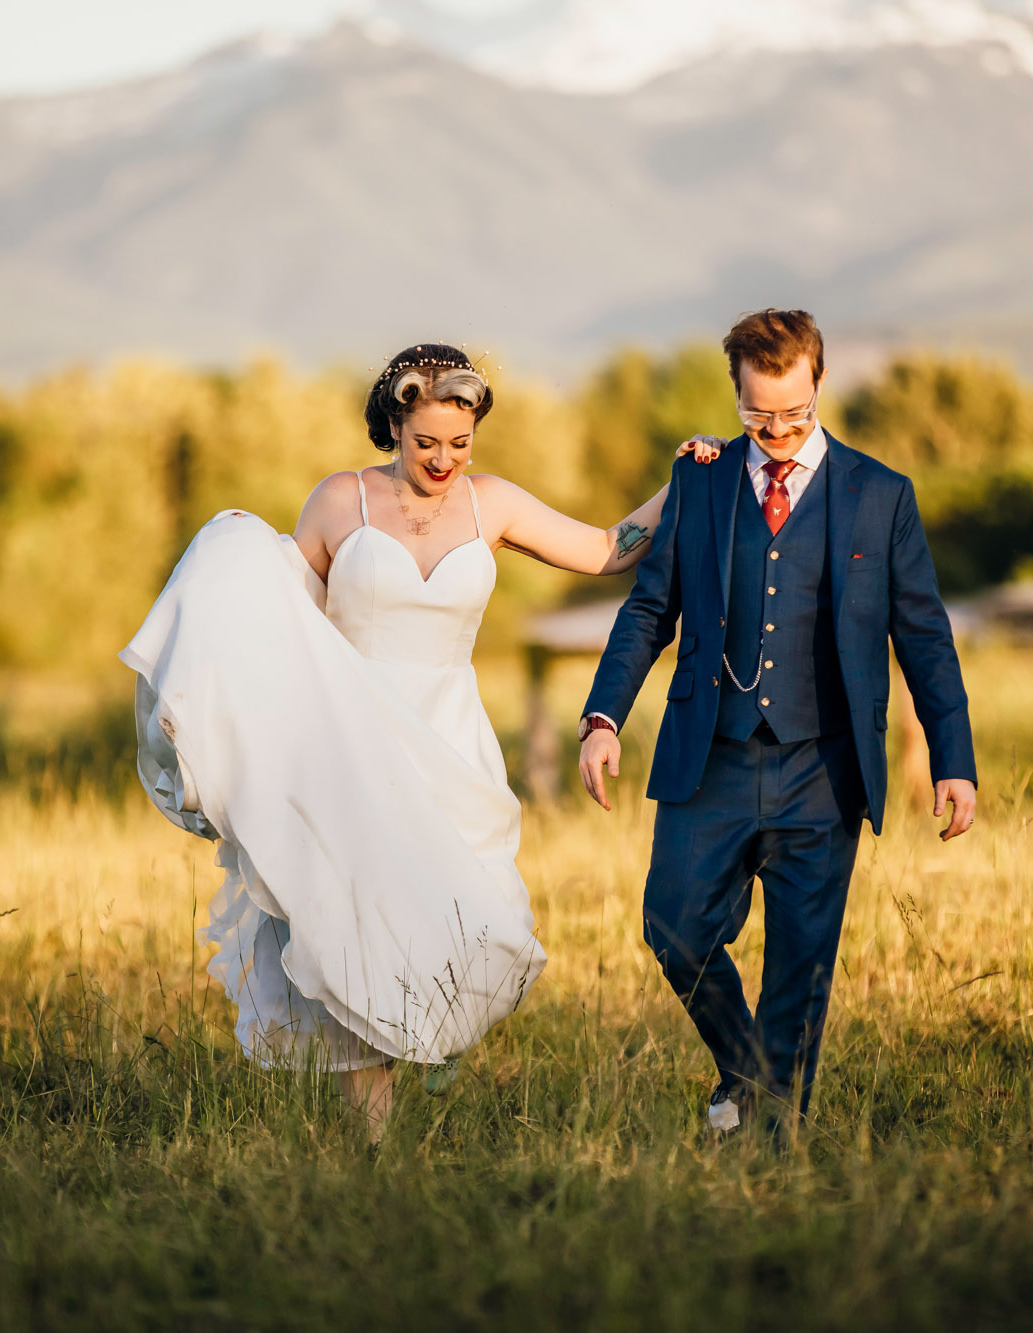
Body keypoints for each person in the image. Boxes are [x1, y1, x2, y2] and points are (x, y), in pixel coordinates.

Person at [122, 344, 719, 1137]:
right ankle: (375, 1143)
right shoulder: (340, 502)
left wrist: (680, 482)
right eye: (426, 442)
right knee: (361, 924)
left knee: (477, 922)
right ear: (393, 426)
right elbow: (283, 616)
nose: (444, 459)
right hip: (351, 739)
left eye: (460, 443)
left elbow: (608, 548)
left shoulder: (493, 504)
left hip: (450, 739)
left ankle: (432, 1040)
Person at [578, 309, 977, 1139]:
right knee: (673, 925)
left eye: (795, 414)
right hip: (710, 755)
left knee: (800, 967)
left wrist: (953, 758)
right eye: (760, 416)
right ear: (735, 394)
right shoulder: (701, 480)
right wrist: (604, 715)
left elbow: (926, 637)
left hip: (824, 767)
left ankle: (773, 1146)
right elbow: (650, 609)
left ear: (819, 385)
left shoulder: (882, 496)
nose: (780, 431)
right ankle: (745, 1074)